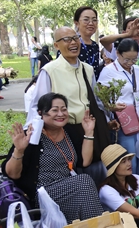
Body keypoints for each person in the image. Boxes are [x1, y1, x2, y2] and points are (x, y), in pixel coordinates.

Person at [2, 93, 104, 222]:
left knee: (85, 185)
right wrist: (19, 150)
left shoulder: (69, 131)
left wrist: (89, 132)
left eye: (64, 109)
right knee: (84, 182)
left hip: (70, 188)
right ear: (41, 113)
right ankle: (98, 226)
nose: (61, 114)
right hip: (42, 194)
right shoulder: (32, 136)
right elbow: (12, 174)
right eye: (54, 110)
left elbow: (85, 161)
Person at [26, 27, 112, 179]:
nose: (73, 42)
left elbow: (95, 100)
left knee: (95, 171)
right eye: (67, 39)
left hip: (88, 129)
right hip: (63, 132)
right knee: (73, 173)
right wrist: (33, 132)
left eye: (75, 38)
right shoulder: (50, 71)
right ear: (56, 45)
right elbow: (37, 106)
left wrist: (108, 117)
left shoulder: (88, 69)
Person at [98, 39, 139, 176]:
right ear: (118, 53)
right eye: (127, 60)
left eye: (134, 59)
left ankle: (138, 188)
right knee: (128, 157)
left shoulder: (136, 70)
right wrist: (112, 107)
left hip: (138, 119)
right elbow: (99, 98)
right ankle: (128, 190)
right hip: (122, 121)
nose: (130, 63)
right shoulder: (108, 71)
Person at [100, 16, 139, 81]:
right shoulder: (118, 48)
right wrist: (128, 34)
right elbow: (103, 41)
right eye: (130, 28)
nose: (135, 31)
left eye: (138, 28)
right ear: (124, 32)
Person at [74, 6, 114, 79]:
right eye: (86, 19)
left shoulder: (95, 45)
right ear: (77, 23)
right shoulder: (71, 44)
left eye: (94, 20)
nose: (91, 23)